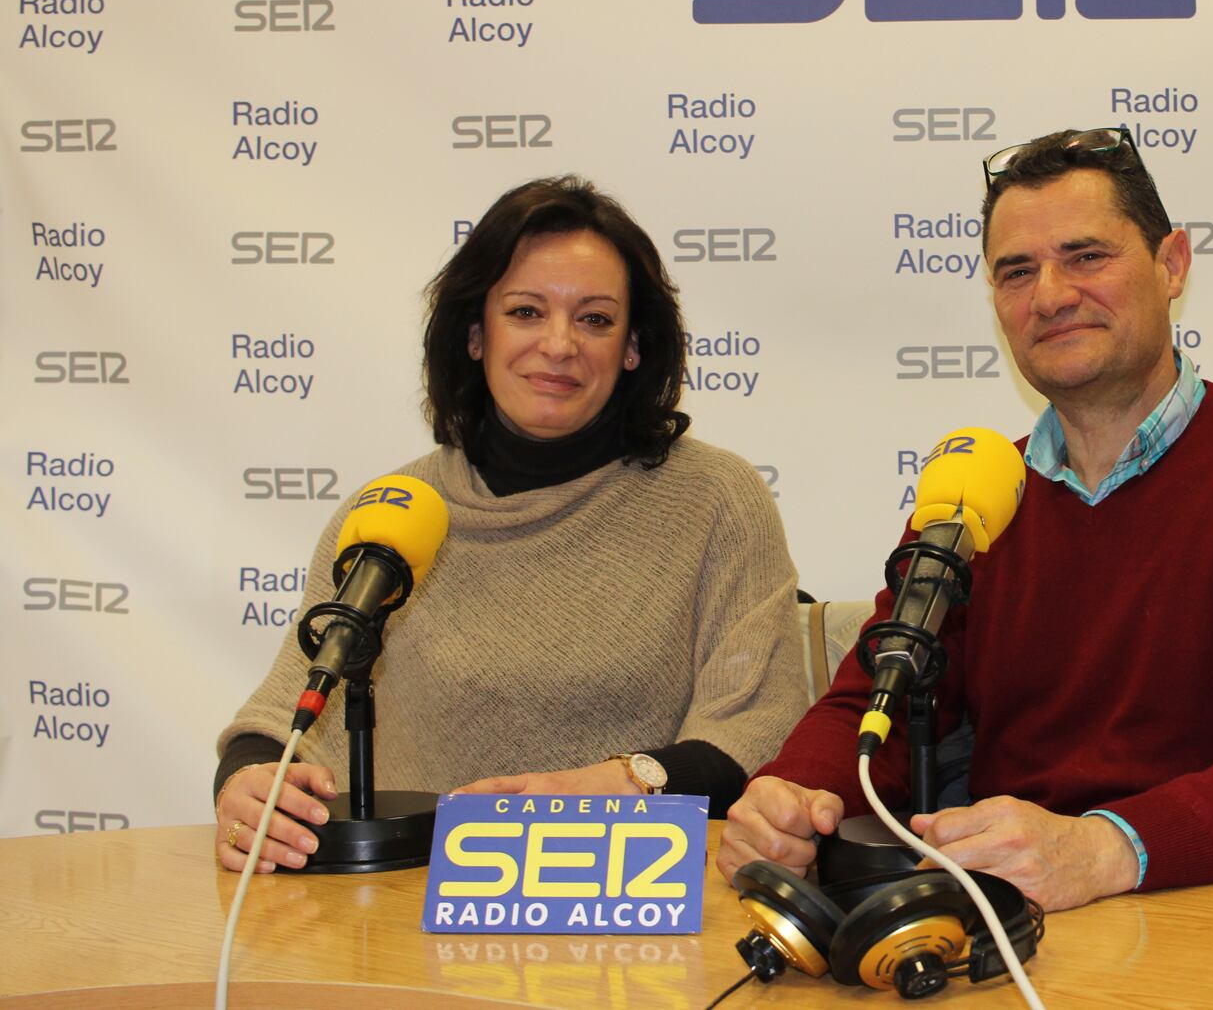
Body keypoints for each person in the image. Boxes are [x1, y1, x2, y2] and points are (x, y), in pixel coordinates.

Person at [717, 127, 1213, 911]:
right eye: (1017, 271)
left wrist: (1107, 847)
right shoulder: (977, 491)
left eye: (1086, 256)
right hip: (1029, 920)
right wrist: (791, 796)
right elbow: (876, 707)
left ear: (1172, 263)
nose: (1049, 295)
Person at [215, 176, 805, 873]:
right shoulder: (392, 512)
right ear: (476, 333)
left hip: (635, 900)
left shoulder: (716, 499)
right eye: (526, 311)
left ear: (633, 347)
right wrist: (246, 782)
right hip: (410, 900)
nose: (558, 344)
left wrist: (624, 782)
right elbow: (284, 714)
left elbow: (755, 733)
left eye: (594, 319)